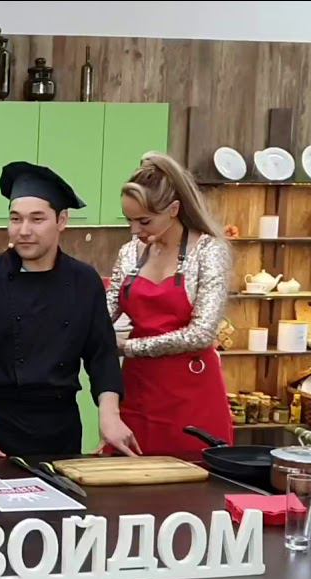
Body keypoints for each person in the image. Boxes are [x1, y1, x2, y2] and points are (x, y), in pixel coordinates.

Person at [0, 161, 137, 465]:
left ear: (62, 220)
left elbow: (102, 356)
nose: (23, 231)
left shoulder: (84, 281)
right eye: (15, 219)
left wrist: (110, 415)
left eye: (37, 219)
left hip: (62, 430)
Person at [108, 152, 233, 459]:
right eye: (129, 220)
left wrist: (128, 347)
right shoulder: (130, 253)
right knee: (129, 471)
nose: (134, 230)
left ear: (174, 210)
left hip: (191, 392)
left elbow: (201, 334)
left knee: (193, 475)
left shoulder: (209, 251)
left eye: (144, 221)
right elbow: (104, 311)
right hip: (138, 387)